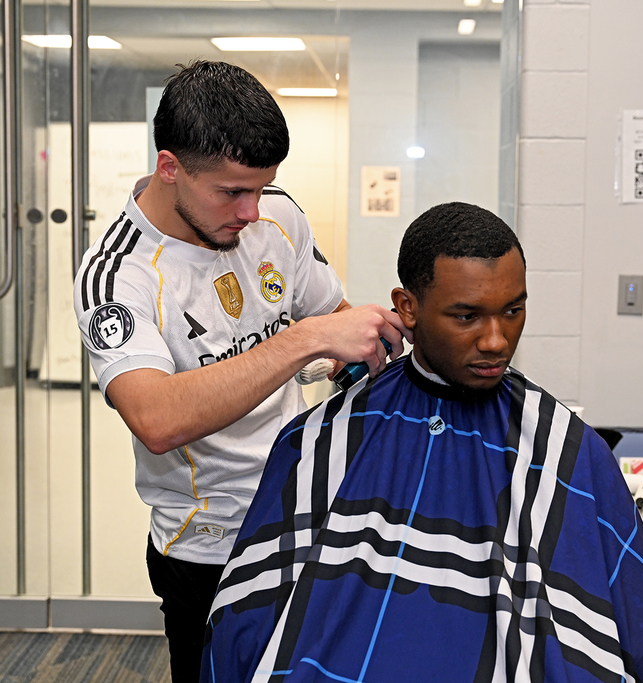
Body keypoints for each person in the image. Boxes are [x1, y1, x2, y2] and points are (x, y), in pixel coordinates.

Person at [201, 202, 643, 683]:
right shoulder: (326, 436)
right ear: (407, 308)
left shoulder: (566, 448)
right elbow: (247, 621)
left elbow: (641, 626)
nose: (496, 339)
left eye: (513, 311)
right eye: (467, 316)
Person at [73, 60, 408, 683]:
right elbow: (156, 418)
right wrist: (305, 340)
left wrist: (358, 342)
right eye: (231, 191)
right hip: (209, 545)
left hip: (305, 511)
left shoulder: (275, 216)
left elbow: (329, 316)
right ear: (170, 167)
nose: (252, 211)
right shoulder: (119, 274)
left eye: (261, 187)